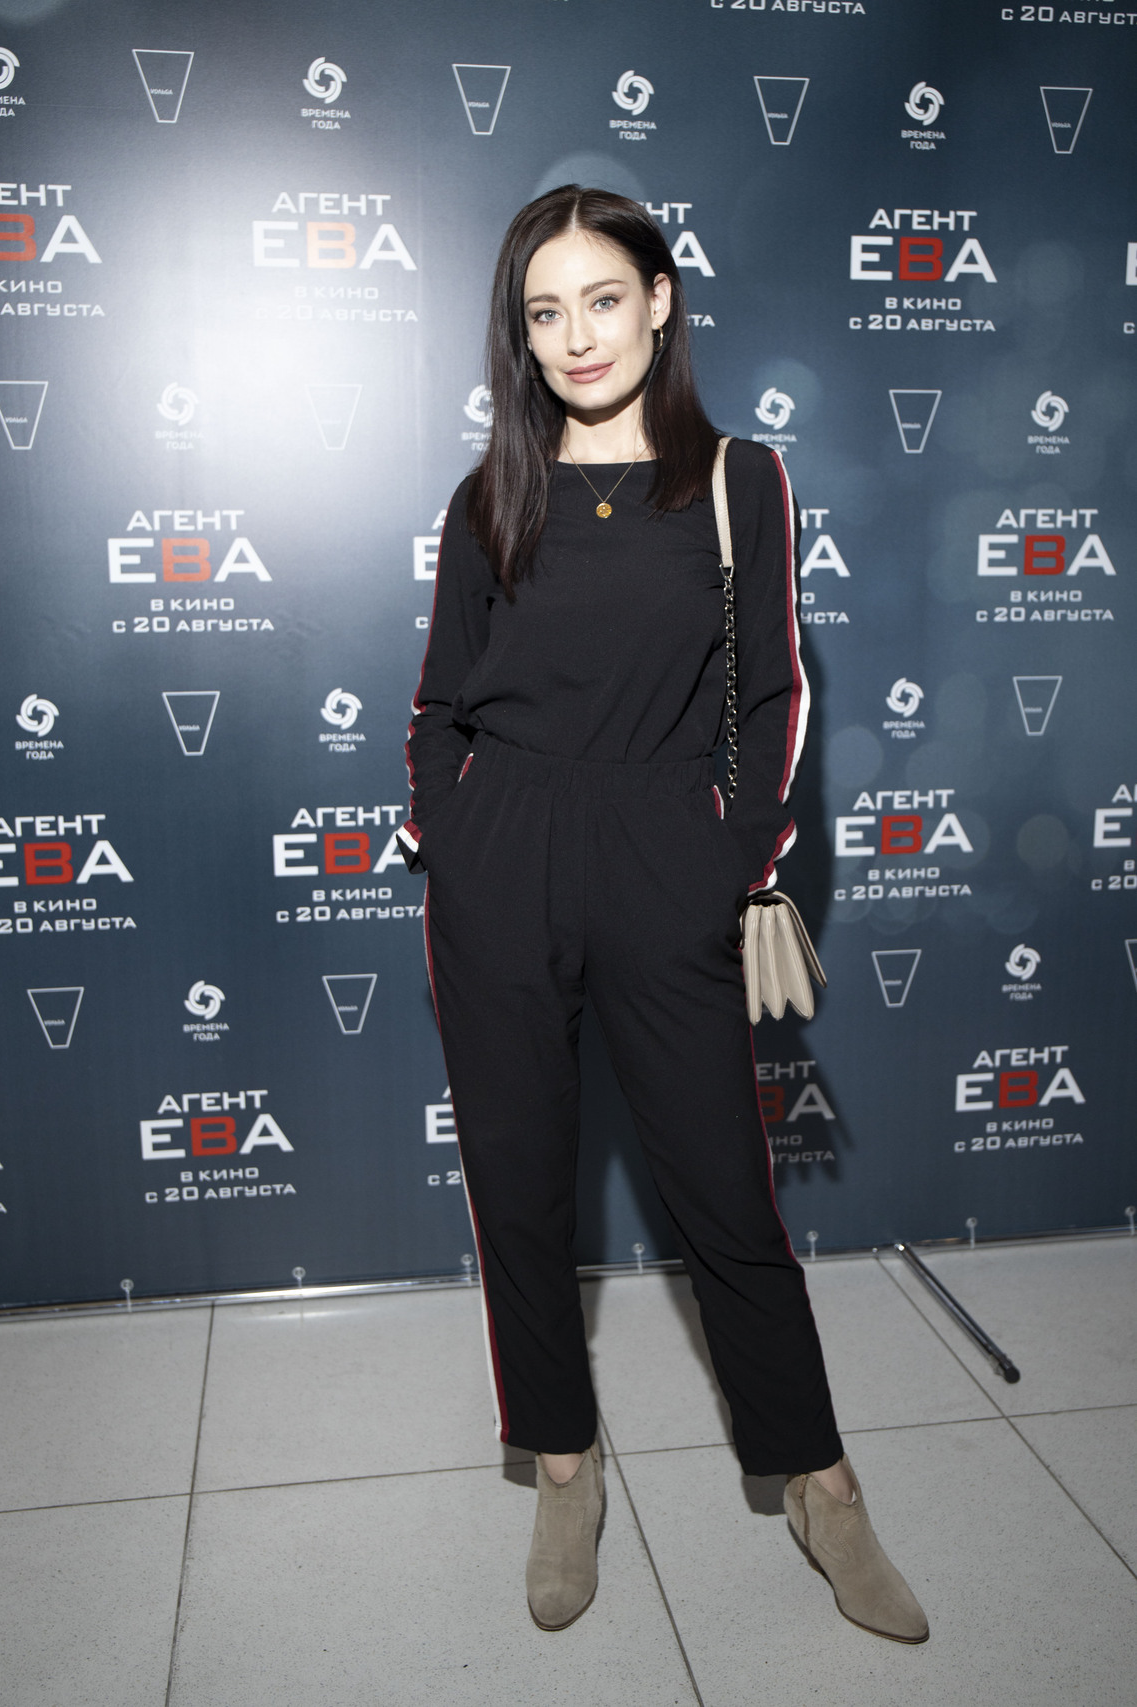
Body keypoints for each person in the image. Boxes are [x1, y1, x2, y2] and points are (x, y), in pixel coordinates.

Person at [397, 185, 928, 1643]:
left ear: (660, 301)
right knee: (519, 1191)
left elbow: (774, 695)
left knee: (726, 1202)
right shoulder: (488, 499)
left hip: (664, 858)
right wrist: (459, 836)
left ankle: (818, 1484)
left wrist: (723, 858)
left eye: (603, 299)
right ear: (519, 334)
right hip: (502, 861)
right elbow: (437, 704)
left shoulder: (740, 480)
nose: (576, 336)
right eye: (544, 312)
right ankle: (562, 1469)